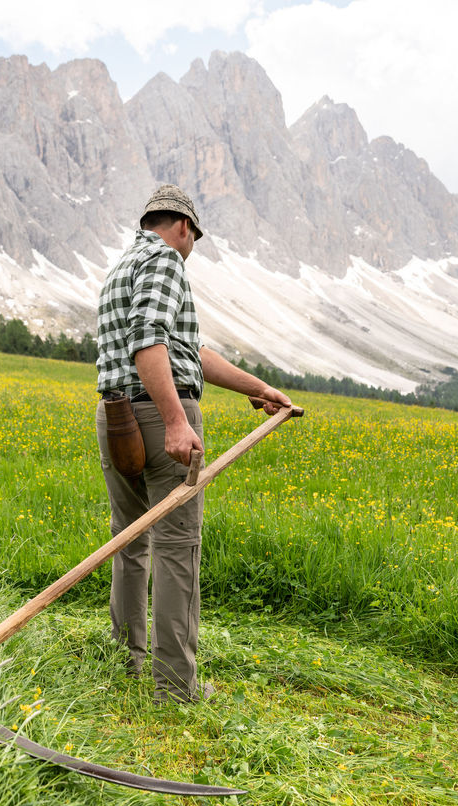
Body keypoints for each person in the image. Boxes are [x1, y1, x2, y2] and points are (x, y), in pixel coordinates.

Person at [95, 184, 292, 704]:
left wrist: (258, 389)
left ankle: (126, 662)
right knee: (178, 547)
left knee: (129, 541)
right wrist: (177, 421)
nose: (192, 248)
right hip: (159, 421)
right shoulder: (165, 261)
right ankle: (176, 687)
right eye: (194, 238)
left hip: (116, 419)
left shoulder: (122, 267)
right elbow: (150, 340)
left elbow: (191, 352)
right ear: (183, 227)